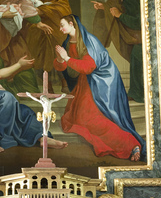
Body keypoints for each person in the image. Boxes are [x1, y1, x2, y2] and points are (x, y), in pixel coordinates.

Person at [54, 15, 145, 161]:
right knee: (77, 117)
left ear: (71, 24)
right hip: (86, 82)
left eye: (62, 25)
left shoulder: (89, 41)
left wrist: (66, 59)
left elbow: (89, 67)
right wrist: (60, 60)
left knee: (92, 119)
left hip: (103, 81)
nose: (60, 28)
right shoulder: (68, 42)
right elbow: (63, 66)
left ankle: (130, 144)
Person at [92, 0, 144, 103]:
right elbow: (119, 9)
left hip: (143, 39)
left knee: (138, 62)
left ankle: (138, 94)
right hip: (139, 40)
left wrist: (120, 15)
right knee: (136, 61)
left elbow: (138, 22)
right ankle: (136, 93)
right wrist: (104, 7)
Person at [22, 0, 72, 76]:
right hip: (31, 23)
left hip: (53, 23)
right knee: (30, 44)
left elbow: (64, 8)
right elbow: (21, 0)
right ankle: (40, 79)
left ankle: (57, 79)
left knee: (52, 44)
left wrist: (42, 10)